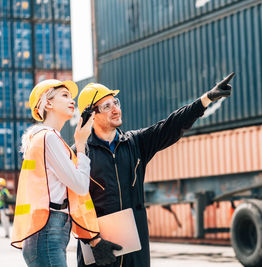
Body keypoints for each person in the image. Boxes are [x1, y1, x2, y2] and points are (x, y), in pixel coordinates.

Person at [75, 73, 234, 267]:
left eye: (115, 102)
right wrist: (93, 241)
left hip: (136, 255)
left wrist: (206, 99)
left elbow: (171, 126)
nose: (115, 109)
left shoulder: (135, 143)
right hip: (99, 254)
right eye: (106, 106)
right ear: (90, 115)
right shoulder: (80, 154)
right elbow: (75, 206)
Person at [11, 79, 121, 267]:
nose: (71, 100)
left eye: (71, 96)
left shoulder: (42, 138)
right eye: (64, 95)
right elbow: (79, 185)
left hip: (47, 230)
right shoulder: (49, 138)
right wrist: (80, 144)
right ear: (48, 103)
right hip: (48, 230)